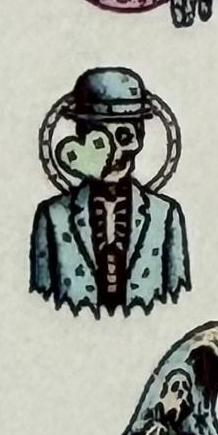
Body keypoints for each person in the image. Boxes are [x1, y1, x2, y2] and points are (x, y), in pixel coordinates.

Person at [28, 65, 190, 316]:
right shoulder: (52, 216)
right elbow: (40, 300)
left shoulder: (166, 215)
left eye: (123, 137)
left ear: (139, 138)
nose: (113, 155)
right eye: (99, 142)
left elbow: (179, 297)